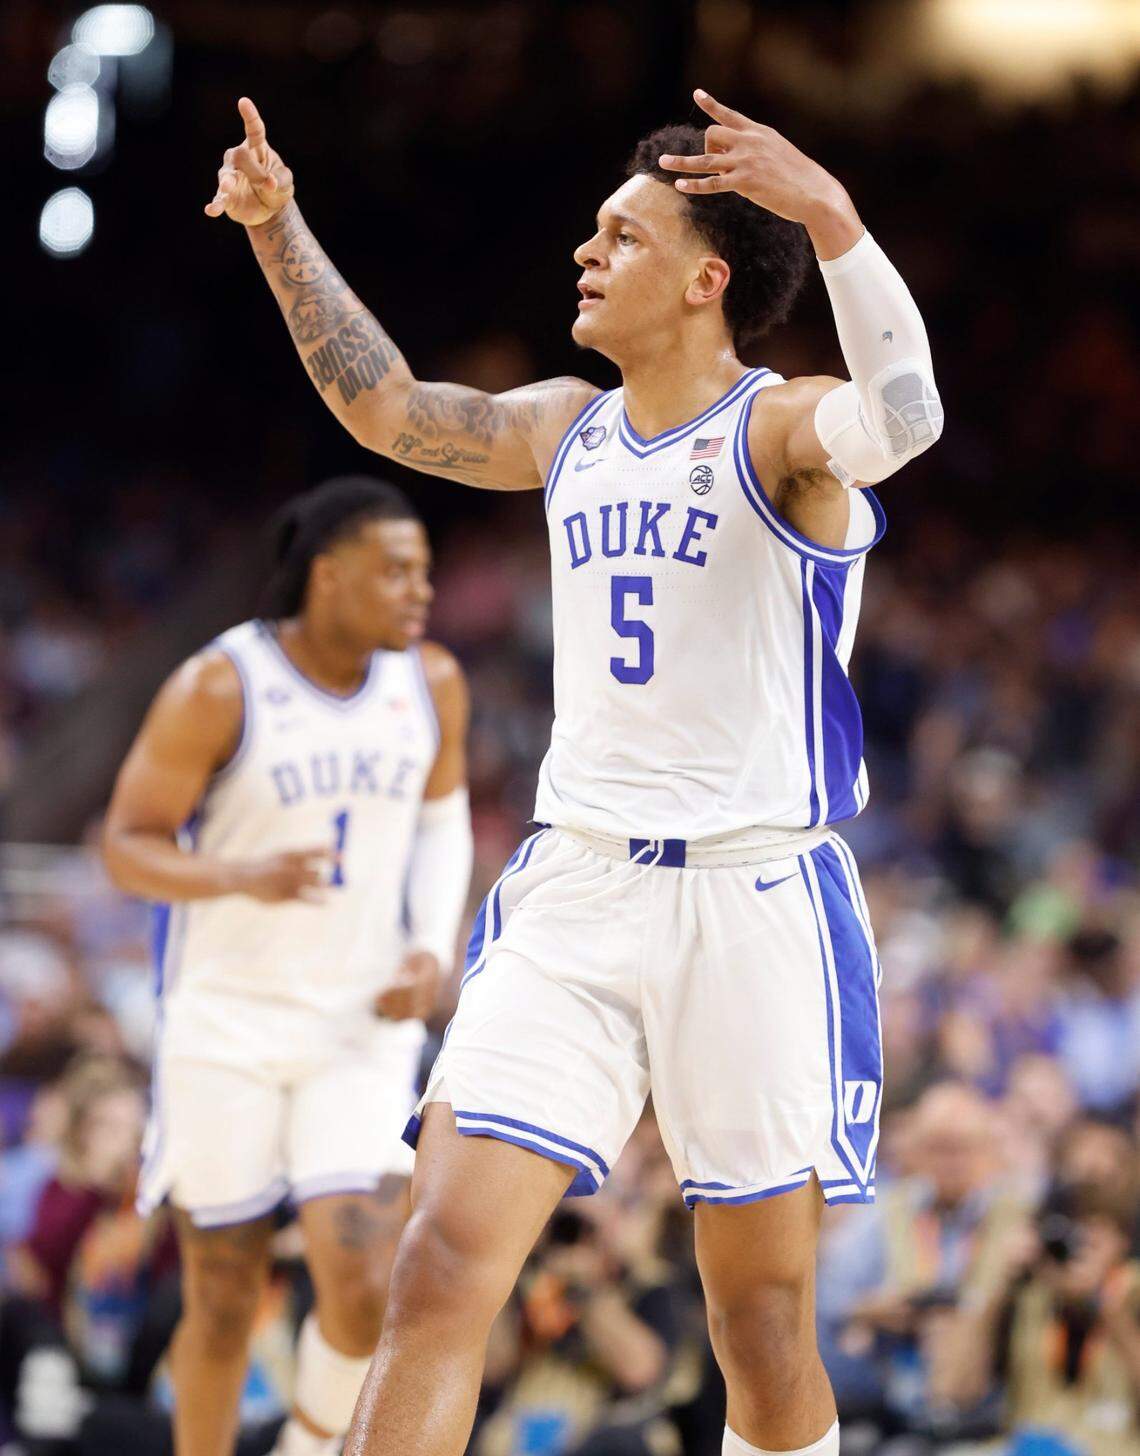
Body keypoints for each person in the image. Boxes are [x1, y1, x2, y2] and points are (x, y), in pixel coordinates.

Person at [204, 86, 944, 1456]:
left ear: (708, 281)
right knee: (438, 1263)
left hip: (753, 899)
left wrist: (830, 213)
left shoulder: (781, 433)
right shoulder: (566, 426)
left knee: (759, 1327)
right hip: (579, 887)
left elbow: (905, 417)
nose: (586, 253)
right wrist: (276, 225)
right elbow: (386, 411)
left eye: (624, 235)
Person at [101, 477, 473, 1456]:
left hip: (359, 1025)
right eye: (397, 571)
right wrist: (236, 874)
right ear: (329, 574)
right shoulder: (219, 686)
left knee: (365, 1287)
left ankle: (307, 1445)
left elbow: (443, 823)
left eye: (426, 572)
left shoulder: (431, 682)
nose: (421, 591)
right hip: (225, 1021)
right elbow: (126, 844)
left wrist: (431, 946)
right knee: (224, 1294)